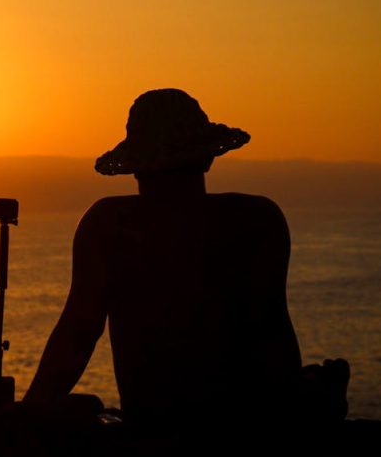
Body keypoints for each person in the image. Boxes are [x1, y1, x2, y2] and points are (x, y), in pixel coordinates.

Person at [24, 89, 346, 428]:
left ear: (135, 165)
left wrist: (29, 411)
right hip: (247, 431)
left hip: (152, 426)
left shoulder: (109, 226)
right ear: (208, 158)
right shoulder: (256, 222)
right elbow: (273, 336)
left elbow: (79, 330)